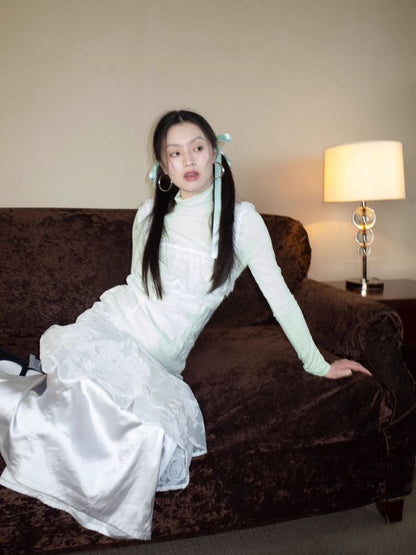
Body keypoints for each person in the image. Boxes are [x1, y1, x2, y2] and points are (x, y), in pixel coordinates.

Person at [0, 109, 371, 540]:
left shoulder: (243, 223)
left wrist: (318, 363)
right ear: (163, 166)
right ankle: (32, 378)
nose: (188, 160)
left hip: (158, 361)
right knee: (77, 410)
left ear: (215, 153)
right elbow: (138, 288)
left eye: (197, 147)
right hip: (112, 327)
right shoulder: (148, 216)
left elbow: (282, 300)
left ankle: (26, 375)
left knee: (135, 438)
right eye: (175, 153)